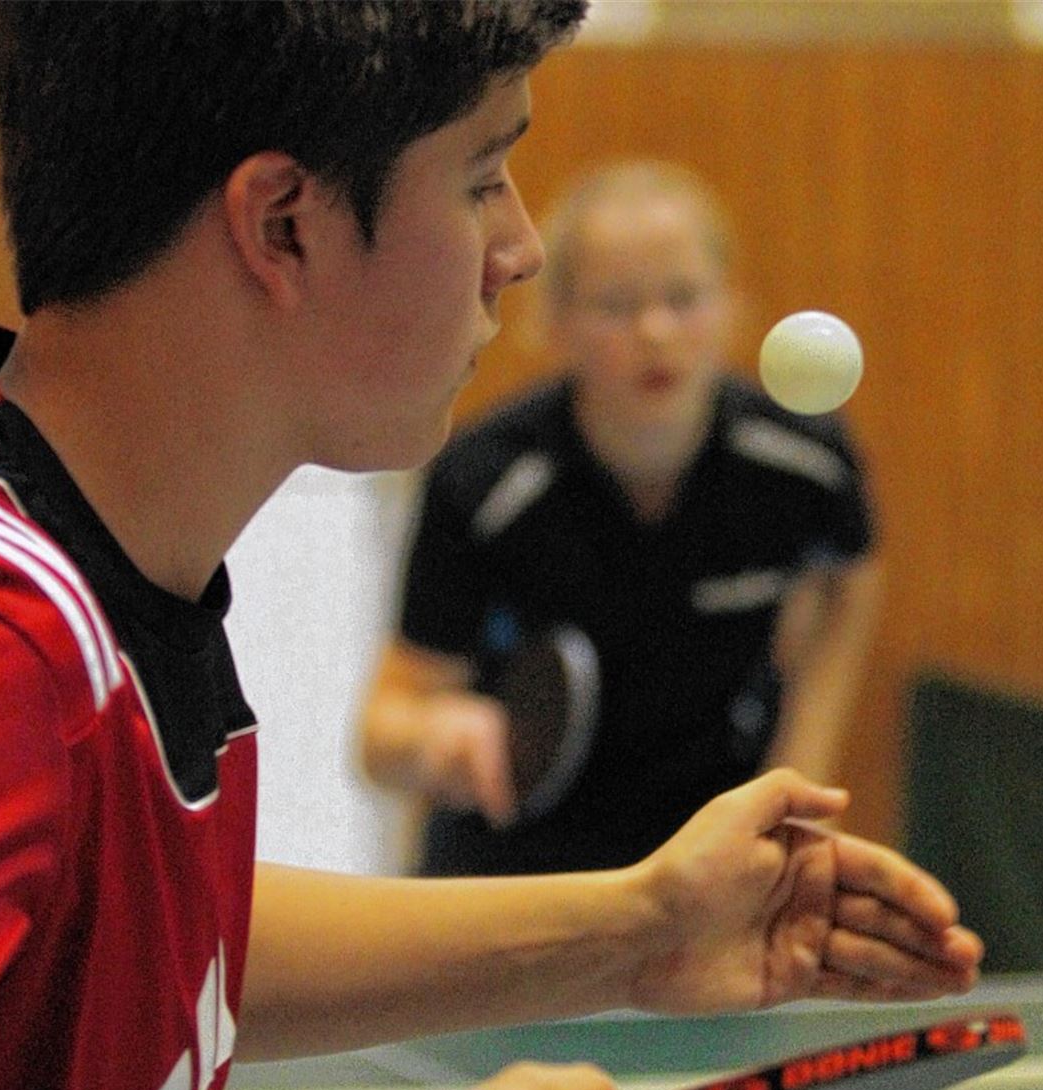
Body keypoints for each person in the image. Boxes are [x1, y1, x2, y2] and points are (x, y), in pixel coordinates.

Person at [0, 5, 982, 1090]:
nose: (521, 248)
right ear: (284, 224)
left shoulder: (85, 584)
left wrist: (635, 931)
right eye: (486, 178)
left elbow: (137, 944)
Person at [362, 160, 884, 876]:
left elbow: (851, 579)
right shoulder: (485, 481)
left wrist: (802, 767)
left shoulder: (804, 463)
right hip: (514, 882)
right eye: (615, 304)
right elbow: (379, 735)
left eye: (684, 297)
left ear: (732, 304)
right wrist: (433, 738)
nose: (656, 331)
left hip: (705, 868)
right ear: (556, 320)